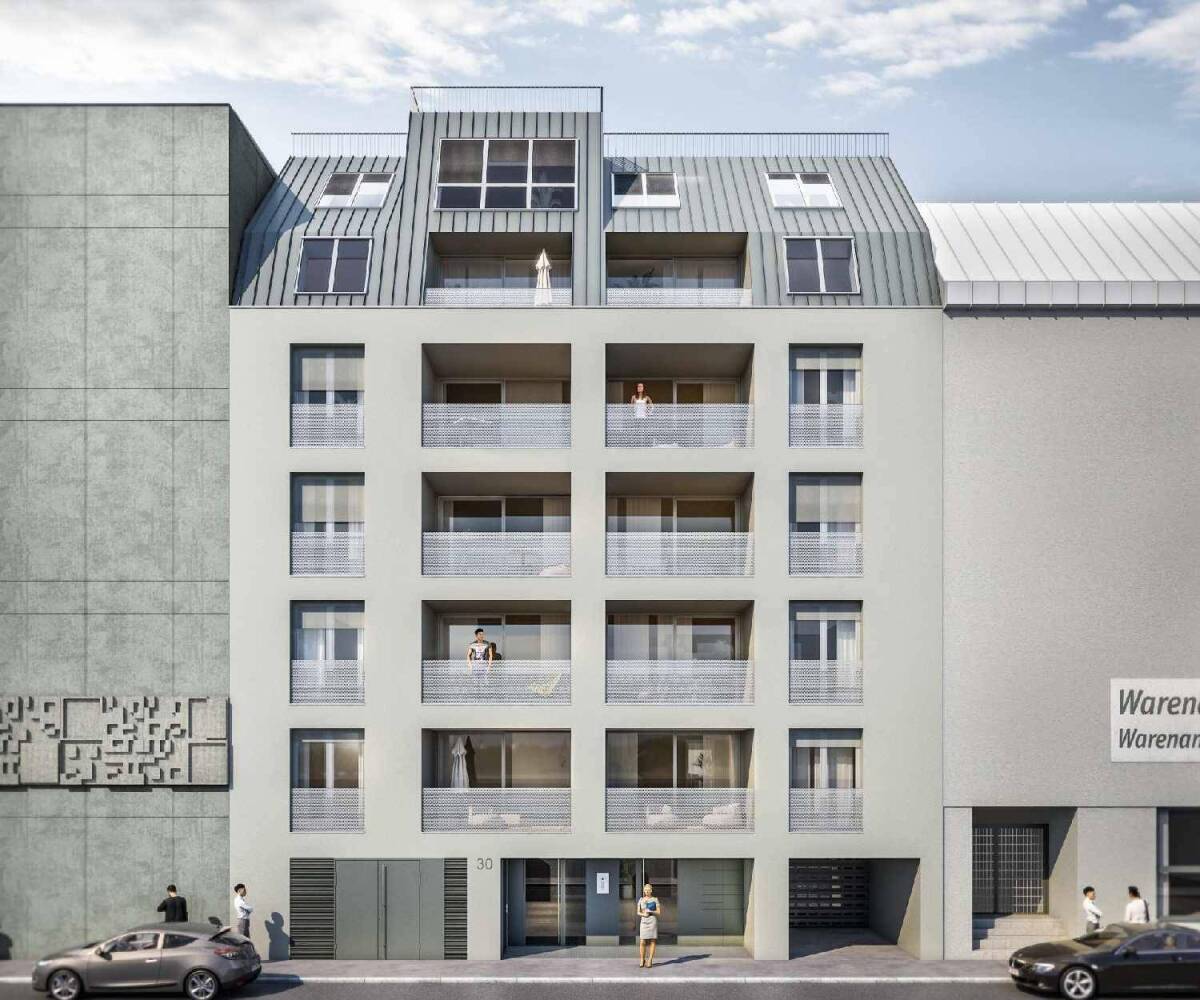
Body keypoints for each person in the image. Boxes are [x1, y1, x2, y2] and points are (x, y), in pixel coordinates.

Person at [637, 883, 659, 969]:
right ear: (644, 891)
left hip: (652, 920)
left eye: (648, 890)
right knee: (642, 941)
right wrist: (643, 914)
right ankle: (642, 959)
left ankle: (650, 960)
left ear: (651, 890)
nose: (647, 891)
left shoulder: (655, 899)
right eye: (645, 890)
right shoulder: (641, 899)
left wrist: (651, 911)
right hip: (644, 921)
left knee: (652, 941)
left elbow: (659, 912)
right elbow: (638, 912)